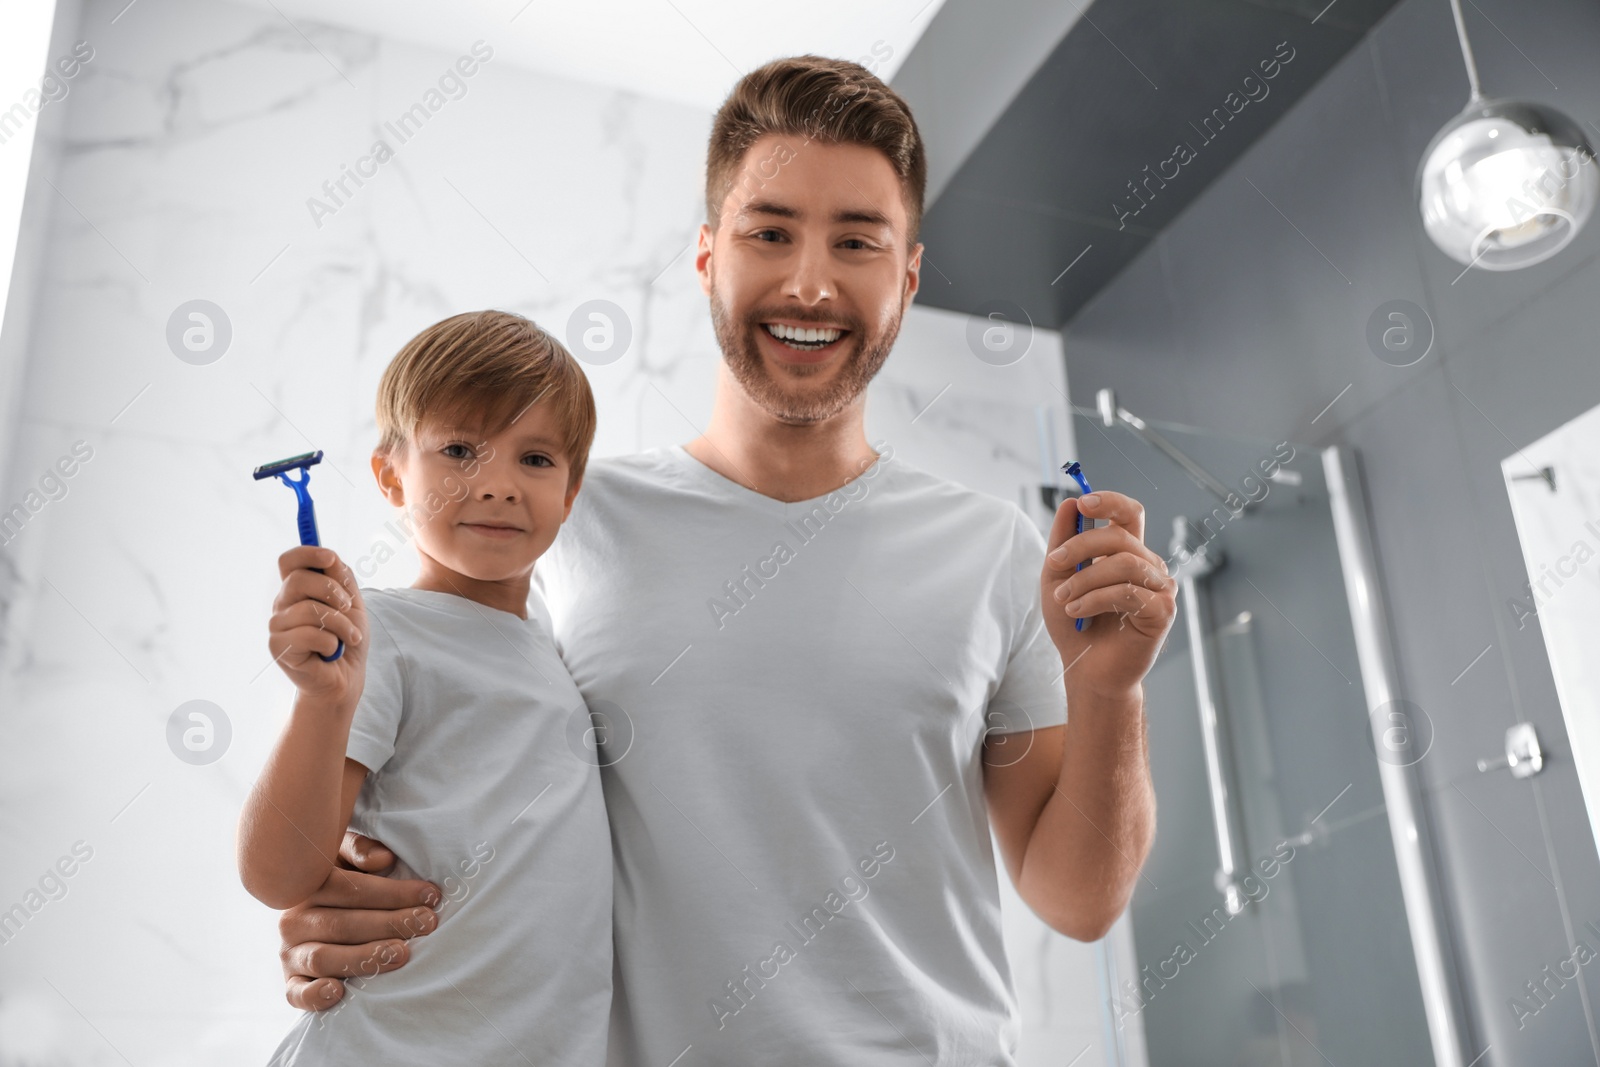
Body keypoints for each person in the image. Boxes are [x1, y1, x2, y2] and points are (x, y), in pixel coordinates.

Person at [268, 56, 1177, 1065]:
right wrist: (346, 898)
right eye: (770, 231)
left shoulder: (991, 550)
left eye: (857, 241)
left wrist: (1112, 694)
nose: (809, 282)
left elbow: (1078, 899)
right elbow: (430, 747)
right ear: (707, 255)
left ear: (907, 276)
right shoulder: (559, 521)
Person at [238, 310, 611, 1065]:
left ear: (571, 492)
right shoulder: (384, 634)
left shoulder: (551, 649)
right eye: (461, 450)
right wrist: (323, 701)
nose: (499, 485)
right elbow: (278, 872)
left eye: (535, 459)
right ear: (389, 475)